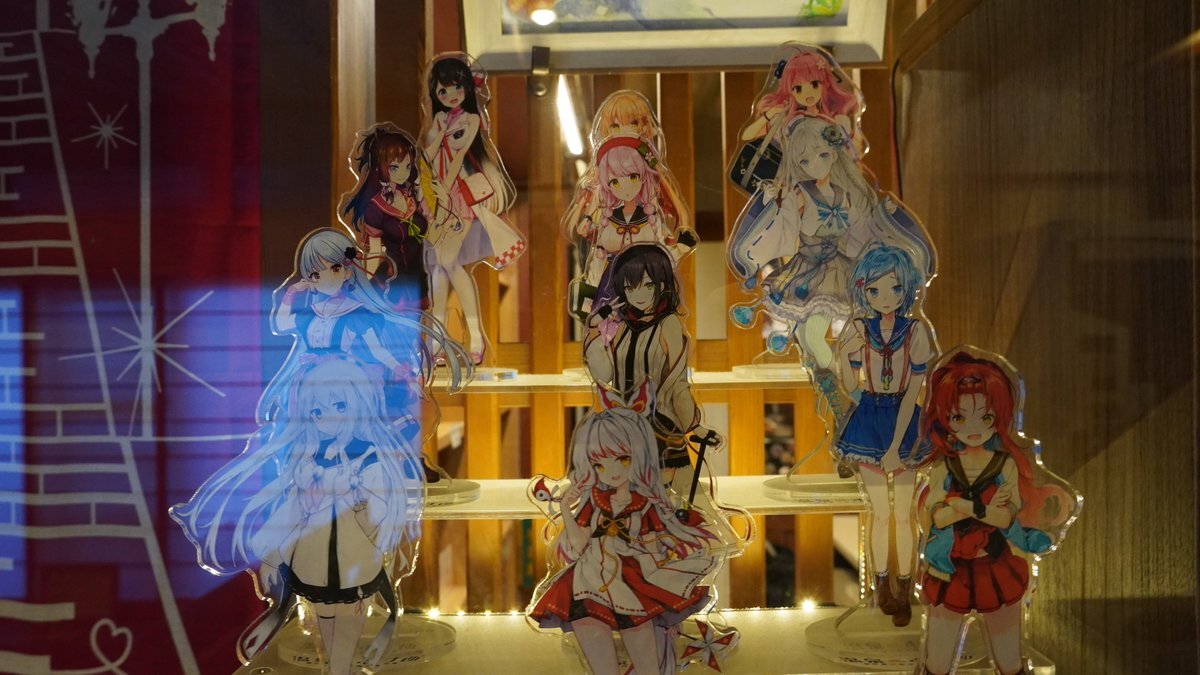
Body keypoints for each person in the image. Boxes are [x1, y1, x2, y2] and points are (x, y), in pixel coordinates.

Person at [171, 357, 423, 674]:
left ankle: (341, 667)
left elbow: (380, 510)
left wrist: (360, 502)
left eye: (339, 406)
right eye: (317, 411)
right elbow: (293, 507)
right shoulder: (309, 457)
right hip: (313, 553)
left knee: (349, 611)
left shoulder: (369, 456)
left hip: (354, 551)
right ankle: (334, 666)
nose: (327, 417)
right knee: (324, 611)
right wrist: (273, 552)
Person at [917, 351, 1079, 675]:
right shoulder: (944, 467)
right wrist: (982, 510)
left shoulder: (1005, 465)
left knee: (1010, 662)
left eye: (985, 417)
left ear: (999, 416)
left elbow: (1005, 518)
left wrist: (962, 506)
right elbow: (937, 518)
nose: (974, 428)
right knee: (936, 663)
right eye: (960, 417)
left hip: (995, 565)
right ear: (945, 419)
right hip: (949, 569)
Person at [528, 406, 721, 675]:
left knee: (639, 635)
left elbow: (652, 544)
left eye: (624, 459)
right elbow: (578, 546)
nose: (613, 471)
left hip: (631, 577)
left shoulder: (645, 503)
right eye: (599, 464)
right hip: (588, 577)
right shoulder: (594, 500)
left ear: (640, 457)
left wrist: (661, 561)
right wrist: (565, 511)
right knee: (588, 626)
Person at [834, 246, 936, 627]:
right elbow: (850, 387)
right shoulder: (859, 329)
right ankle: (882, 590)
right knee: (879, 513)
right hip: (869, 416)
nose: (885, 297)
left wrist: (895, 447)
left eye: (894, 288)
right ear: (864, 291)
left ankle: (905, 591)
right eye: (874, 290)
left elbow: (914, 393)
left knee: (904, 514)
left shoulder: (917, 332)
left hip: (903, 420)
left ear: (907, 288)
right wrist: (843, 358)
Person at [422, 53, 526, 362]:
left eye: (457, 87)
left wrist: (444, 188)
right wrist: (439, 133)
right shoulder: (439, 121)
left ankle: (474, 337)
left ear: (467, 87)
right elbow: (428, 156)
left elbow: (458, 158)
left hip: (459, 196)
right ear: (435, 94)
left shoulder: (471, 120)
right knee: (439, 268)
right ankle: (439, 339)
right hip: (436, 197)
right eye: (443, 91)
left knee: (448, 262)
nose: (451, 95)